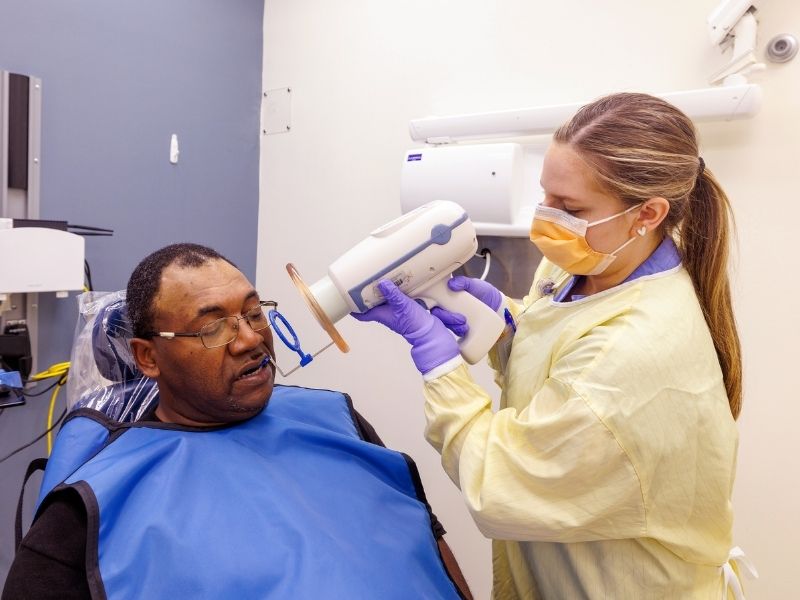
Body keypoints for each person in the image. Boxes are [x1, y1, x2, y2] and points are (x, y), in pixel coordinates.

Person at [353, 93, 748, 598]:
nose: (547, 218)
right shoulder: (585, 262)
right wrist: (502, 321)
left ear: (647, 213)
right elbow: (562, 353)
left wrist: (440, 369)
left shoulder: (632, 353)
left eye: (570, 207)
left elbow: (499, 484)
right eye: (546, 195)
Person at [3, 243, 471, 600]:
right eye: (213, 328)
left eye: (252, 313)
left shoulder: (336, 418)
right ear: (148, 357)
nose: (250, 339)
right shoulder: (95, 502)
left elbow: (427, 544)